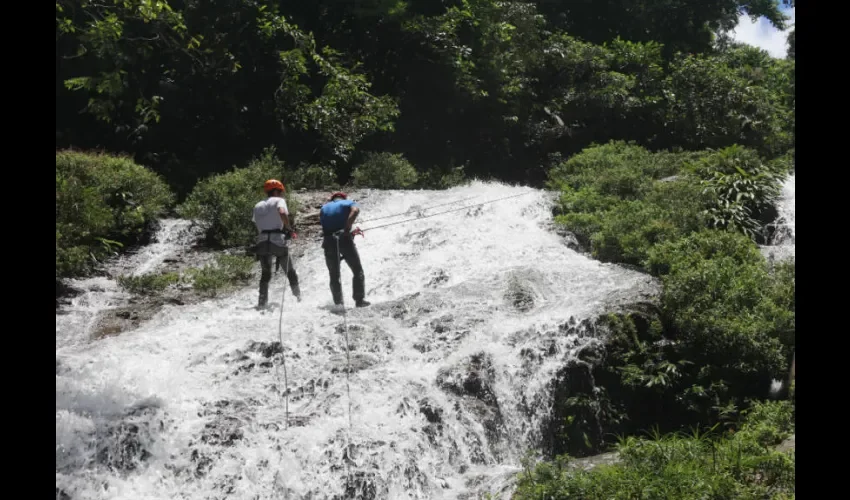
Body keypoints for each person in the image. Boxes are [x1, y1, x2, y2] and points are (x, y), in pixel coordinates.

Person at [252, 179, 301, 308]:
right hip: (277, 239)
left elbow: (256, 223)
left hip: (262, 240)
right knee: (289, 270)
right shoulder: (279, 201)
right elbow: (281, 211)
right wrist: (289, 229)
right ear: (275, 191)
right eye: (280, 192)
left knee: (265, 274)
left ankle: (262, 302)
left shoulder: (257, 205)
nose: (281, 194)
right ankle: (298, 297)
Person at [319, 191, 370, 307]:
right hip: (344, 239)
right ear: (343, 198)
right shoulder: (349, 203)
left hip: (328, 241)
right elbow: (355, 211)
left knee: (334, 274)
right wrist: (347, 229)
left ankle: (338, 304)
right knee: (357, 270)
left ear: (333, 199)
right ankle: (359, 300)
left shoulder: (324, 207)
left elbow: (324, 225)